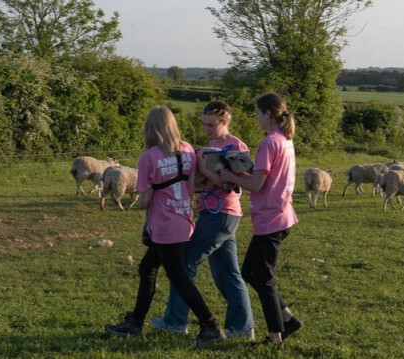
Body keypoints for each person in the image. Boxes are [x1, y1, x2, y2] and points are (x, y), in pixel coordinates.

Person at [104, 106, 226, 346]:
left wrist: (153, 193)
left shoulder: (149, 157)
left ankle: (210, 325)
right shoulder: (188, 149)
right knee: (147, 268)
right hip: (182, 219)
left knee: (178, 277)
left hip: (163, 224)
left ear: (150, 128)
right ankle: (135, 322)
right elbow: (191, 187)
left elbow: (145, 201)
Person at [150, 100, 255, 339]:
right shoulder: (210, 145)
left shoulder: (235, 146)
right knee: (228, 274)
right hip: (216, 214)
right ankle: (242, 328)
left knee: (185, 263)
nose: (207, 129)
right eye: (204, 124)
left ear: (225, 122)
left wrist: (203, 168)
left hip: (221, 214)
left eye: (211, 124)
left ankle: (175, 322)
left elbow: (231, 185)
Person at [220, 93, 302, 347]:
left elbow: (256, 184)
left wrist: (229, 176)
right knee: (251, 272)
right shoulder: (284, 140)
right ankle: (287, 319)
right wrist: (241, 170)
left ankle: (276, 336)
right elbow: (264, 177)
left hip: (271, 219)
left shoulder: (269, 143)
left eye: (257, 113)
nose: (255, 118)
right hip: (280, 215)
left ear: (268, 114)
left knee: (263, 278)